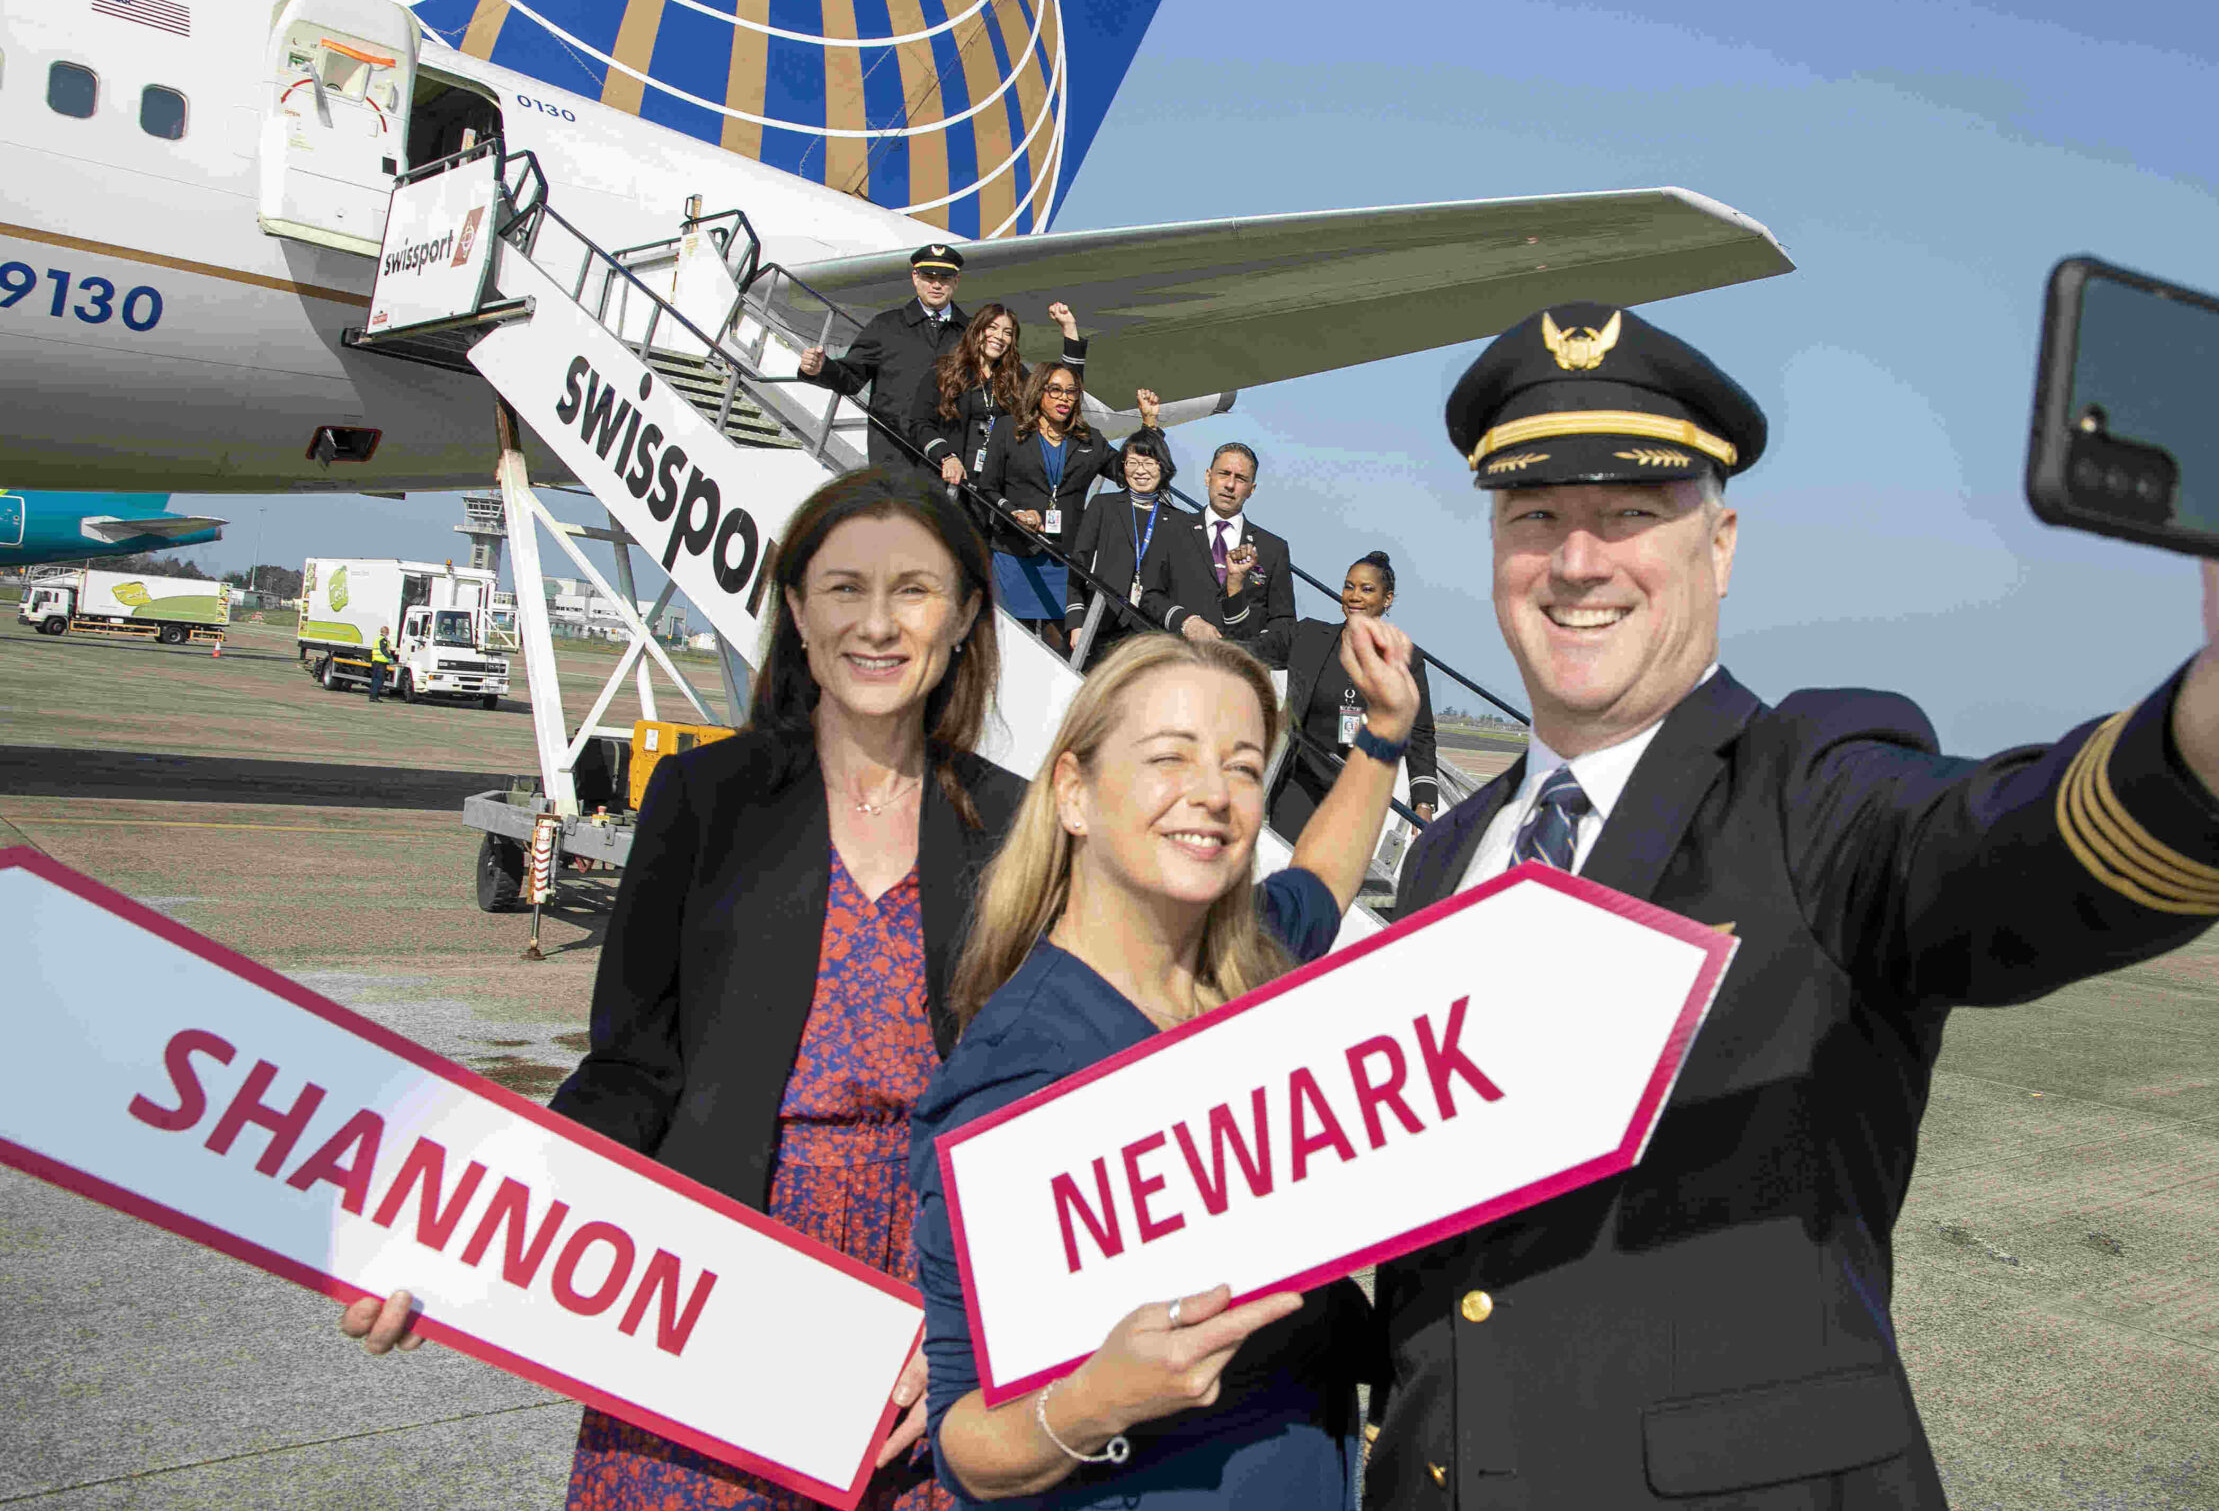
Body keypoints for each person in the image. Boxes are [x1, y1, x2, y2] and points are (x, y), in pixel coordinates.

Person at [1357, 300, 2219, 1509]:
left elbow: (2020, 848)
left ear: (1718, 545)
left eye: (1629, 515)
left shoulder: (1812, 784)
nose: (1577, 561)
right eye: (1536, 518)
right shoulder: (1447, 854)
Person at [338, 465, 1027, 1511]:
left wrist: (967, 1324)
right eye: (844, 587)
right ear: (795, 609)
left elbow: (1033, 1100)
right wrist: (465, 1235)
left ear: (967, 613)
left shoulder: (1014, 825)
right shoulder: (706, 798)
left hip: (916, 1313)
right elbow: (630, 1067)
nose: (878, 623)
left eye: (915, 590)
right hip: (710, 1282)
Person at [909, 624, 1423, 1508]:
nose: (1214, 794)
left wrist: (1383, 731)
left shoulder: (1246, 969)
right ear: (1073, 792)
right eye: (1170, 757)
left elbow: (1321, 880)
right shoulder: (1014, 1076)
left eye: (1241, 765)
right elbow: (963, 1441)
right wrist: (1092, 1402)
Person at [1270, 551, 1440, 840]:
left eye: (1367, 589)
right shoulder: (1309, 636)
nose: (1354, 596)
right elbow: (1245, 650)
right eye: (1349, 586)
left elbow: (1420, 732)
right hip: (1300, 780)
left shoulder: (1406, 659)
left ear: (1387, 600)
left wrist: (1423, 801)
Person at [976, 360, 1119, 654]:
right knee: (1010, 650)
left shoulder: (1090, 440)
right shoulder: (1008, 429)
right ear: (1039, 391)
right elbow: (987, 488)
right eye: (1055, 390)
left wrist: (1150, 428)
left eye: (1071, 391)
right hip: (1014, 556)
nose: (1064, 398)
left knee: (1060, 654)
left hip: (1063, 561)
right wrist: (1012, 512)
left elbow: (1130, 473)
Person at [799, 243, 971, 476]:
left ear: (956, 281)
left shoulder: (972, 334)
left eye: (945, 277)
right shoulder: (886, 327)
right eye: (929, 277)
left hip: (951, 460)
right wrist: (821, 368)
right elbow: (851, 379)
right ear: (915, 277)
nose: (937, 284)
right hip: (894, 454)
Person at [1134, 442, 1294, 663]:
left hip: (1237, 672)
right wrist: (1187, 622)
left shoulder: (1272, 548)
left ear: (1252, 489)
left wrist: (1247, 651)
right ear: (1208, 476)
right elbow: (1149, 596)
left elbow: (1283, 623)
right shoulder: (1170, 529)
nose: (1230, 485)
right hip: (1175, 661)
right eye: (1224, 474)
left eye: (1240, 479)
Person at [927, 302, 1089, 492]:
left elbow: (1065, 389)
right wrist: (946, 456)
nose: (999, 337)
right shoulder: (945, 371)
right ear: (977, 330)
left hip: (999, 488)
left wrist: (1069, 327)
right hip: (954, 483)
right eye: (992, 328)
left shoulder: (1016, 375)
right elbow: (920, 423)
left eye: (1008, 333)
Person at [1062, 396, 1171, 664]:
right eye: (1132, 463)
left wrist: (1151, 424)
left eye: (1149, 463)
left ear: (1163, 467)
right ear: (1122, 466)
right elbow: (1079, 565)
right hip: (1100, 626)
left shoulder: (1177, 520)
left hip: (1148, 633)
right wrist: (1076, 621)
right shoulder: (1103, 506)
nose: (1140, 470)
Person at [368, 624, 395, 702]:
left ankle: (372, 697)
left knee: (375, 679)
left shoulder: (377, 639)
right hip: (380, 663)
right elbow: (383, 650)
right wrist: (390, 657)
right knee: (379, 680)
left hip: (376, 661)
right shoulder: (382, 640)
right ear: (386, 632)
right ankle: (375, 697)